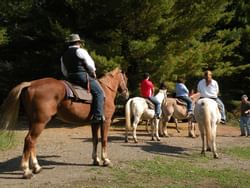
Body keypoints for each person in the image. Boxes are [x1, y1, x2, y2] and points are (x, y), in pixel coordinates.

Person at [60, 33, 104, 123]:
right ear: (78, 42)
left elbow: (64, 70)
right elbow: (90, 64)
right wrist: (93, 72)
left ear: (70, 43)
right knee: (99, 92)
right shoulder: (80, 51)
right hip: (82, 76)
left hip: (70, 78)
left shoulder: (63, 55)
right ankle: (98, 116)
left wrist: (69, 76)